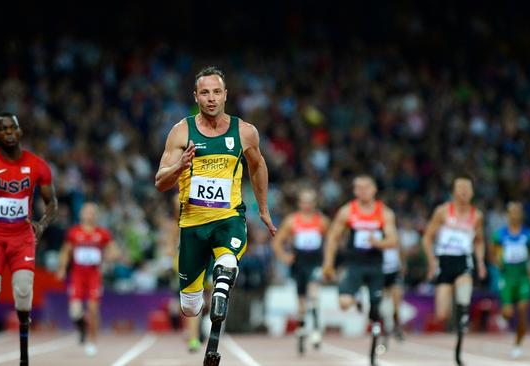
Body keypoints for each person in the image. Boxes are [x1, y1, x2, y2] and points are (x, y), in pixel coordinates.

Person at [155, 66, 276, 366]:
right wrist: (180, 166)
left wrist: (262, 208)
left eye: (216, 92)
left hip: (229, 218)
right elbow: (160, 181)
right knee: (190, 308)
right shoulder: (181, 131)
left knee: (226, 264)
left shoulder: (245, 131)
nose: (211, 98)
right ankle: (210, 302)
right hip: (193, 225)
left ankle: (221, 293)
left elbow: (258, 166)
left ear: (226, 95)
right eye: (205, 92)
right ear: (195, 96)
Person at [0, 112, 57, 366]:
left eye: (12, 128)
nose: (8, 132)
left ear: (20, 132)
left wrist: (42, 224)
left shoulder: (38, 165)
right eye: (2, 129)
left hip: (22, 237)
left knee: (24, 290)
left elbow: (52, 203)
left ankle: (24, 355)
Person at [322, 175, 398, 366]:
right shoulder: (347, 211)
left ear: (374, 189)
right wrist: (328, 263)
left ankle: (374, 351)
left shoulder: (384, 213)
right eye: (358, 188)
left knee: (375, 311)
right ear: (354, 191)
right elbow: (332, 237)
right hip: (354, 265)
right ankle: (355, 298)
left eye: (366, 187)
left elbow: (393, 240)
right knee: (344, 303)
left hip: (376, 267)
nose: (362, 191)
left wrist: (377, 242)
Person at [422, 176, 487, 366]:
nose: (464, 191)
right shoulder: (442, 212)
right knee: (441, 314)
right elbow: (426, 238)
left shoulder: (477, 216)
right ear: (453, 191)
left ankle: (460, 335)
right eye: (460, 188)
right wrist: (431, 262)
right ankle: (459, 318)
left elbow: (479, 240)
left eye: (468, 188)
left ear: (473, 193)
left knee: (464, 297)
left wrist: (481, 262)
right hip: (444, 261)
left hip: (463, 262)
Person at [56, 202, 120, 356]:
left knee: (92, 309)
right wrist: (62, 268)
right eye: (87, 212)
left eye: (92, 212)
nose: (89, 215)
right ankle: (82, 329)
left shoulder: (102, 233)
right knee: (75, 312)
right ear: (81, 214)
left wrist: (110, 256)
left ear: (96, 216)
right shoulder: (74, 232)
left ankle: (92, 341)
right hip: (77, 275)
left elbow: (114, 251)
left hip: (94, 276)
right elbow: (66, 251)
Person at [272, 188, 329, 354]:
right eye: (304, 201)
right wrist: (284, 256)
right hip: (299, 263)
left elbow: (332, 241)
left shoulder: (322, 221)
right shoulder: (292, 221)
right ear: (299, 203)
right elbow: (277, 242)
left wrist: (328, 262)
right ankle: (302, 329)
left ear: (314, 204)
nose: (307, 205)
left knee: (314, 293)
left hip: (315, 262)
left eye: (310, 202)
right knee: (302, 302)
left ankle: (316, 330)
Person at [491, 201, 530, 359]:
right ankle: (503, 316)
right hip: (507, 278)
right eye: (512, 212)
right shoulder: (500, 234)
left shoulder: (529, 234)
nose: (515, 215)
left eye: (518, 212)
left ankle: (517, 345)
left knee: (522, 311)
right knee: (508, 312)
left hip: (523, 278)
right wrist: (498, 263)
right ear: (507, 215)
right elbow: (492, 253)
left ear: (522, 215)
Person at [381, 238, 405, 344]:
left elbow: (401, 251)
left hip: (394, 272)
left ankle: (397, 327)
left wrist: (402, 266)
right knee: (384, 303)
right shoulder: (377, 235)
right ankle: (386, 327)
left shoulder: (394, 237)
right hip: (381, 273)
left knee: (396, 303)